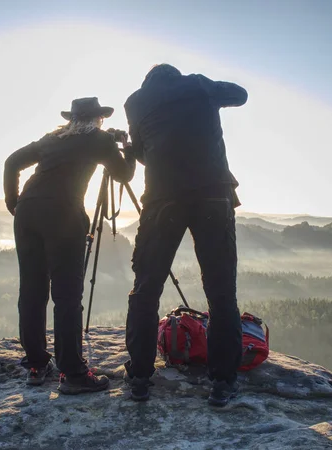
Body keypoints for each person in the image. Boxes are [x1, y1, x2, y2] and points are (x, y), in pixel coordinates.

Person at [122, 64, 248, 406]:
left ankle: (140, 378)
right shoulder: (198, 85)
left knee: (146, 289)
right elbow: (241, 95)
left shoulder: (134, 103)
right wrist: (208, 95)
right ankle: (223, 382)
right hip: (213, 194)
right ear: (176, 77)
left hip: (163, 198)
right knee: (222, 292)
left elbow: (142, 155)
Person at [3, 97, 135, 394]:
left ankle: (36, 365)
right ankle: (72, 373)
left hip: (28, 214)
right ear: (98, 119)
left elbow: (11, 162)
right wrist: (126, 149)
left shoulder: (52, 138)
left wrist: (15, 203)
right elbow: (123, 174)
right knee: (66, 296)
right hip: (63, 215)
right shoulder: (99, 140)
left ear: (73, 119)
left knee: (32, 289)